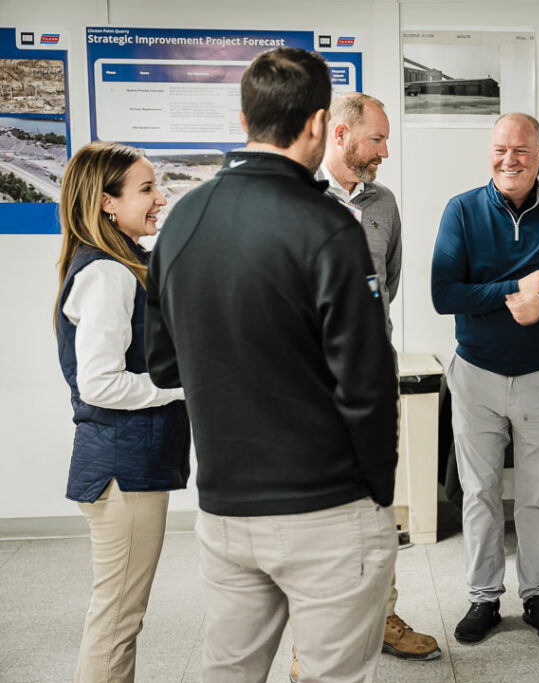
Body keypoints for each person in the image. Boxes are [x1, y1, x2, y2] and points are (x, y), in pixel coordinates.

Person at [144, 47, 398, 682]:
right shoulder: (330, 229)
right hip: (326, 507)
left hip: (225, 510)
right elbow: (366, 384)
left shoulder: (180, 222)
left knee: (229, 674)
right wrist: (379, 495)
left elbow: (162, 365)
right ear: (317, 125)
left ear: (243, 119)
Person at [431, 112, 539, 644]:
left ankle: (538, 596)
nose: (509, 159)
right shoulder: (461, 210)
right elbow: (445, 294)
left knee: (537, 495)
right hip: (476, 375)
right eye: (500, 149)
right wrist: (518, 288)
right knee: (478, 491)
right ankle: (483, 597)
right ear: (490, 151)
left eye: (522, 151)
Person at [288, 93, 439, 682]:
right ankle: (310, 643)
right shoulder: (297, 197)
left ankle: (383, 617)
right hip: (311, 385)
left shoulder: (385, 204)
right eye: (377, 138)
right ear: (342, 135)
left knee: (378, 505)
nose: (384, 150)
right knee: (319, 516)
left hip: (373, 378)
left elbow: (389, 283)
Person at [54, 141, 190, 682]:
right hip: (120, 470)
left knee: (118, 614)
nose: (161, 197)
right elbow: (100, 383)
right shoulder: (108, 274)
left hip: (128, 466)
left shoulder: (126, 262)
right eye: (146, 188)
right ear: (108, 202)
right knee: (116, 619)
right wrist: (182, 388)